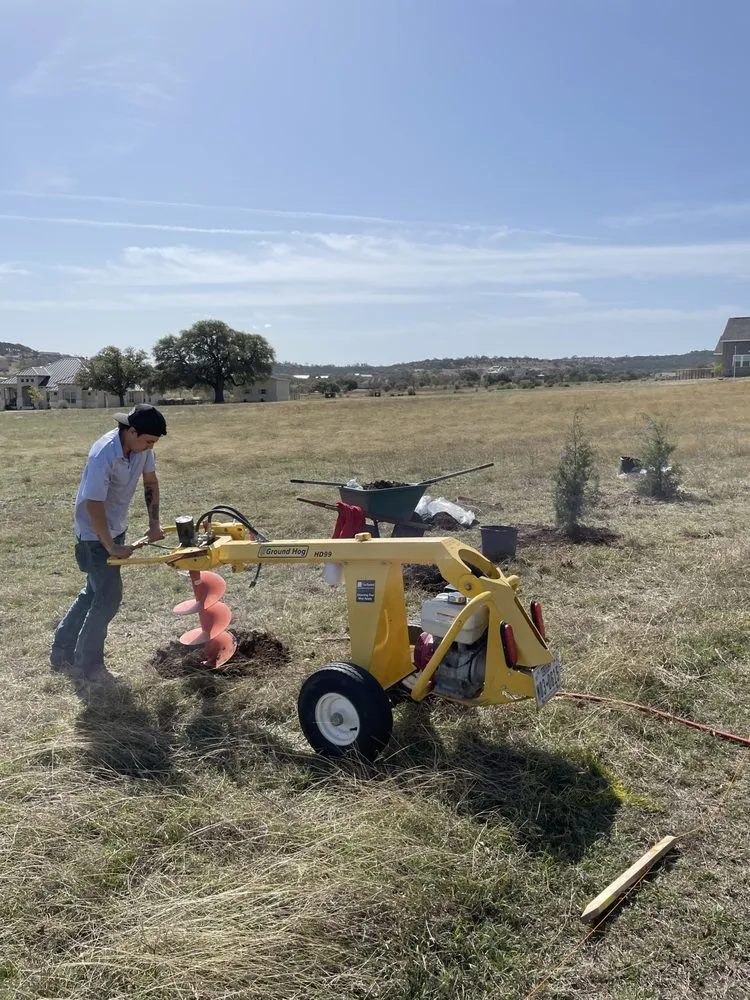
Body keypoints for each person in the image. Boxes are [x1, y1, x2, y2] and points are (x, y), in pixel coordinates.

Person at [50, 403, 168, 684]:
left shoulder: (141, 449)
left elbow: (150, 483)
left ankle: (62, 653)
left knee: (93, 592)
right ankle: (89, 666)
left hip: (115, 528)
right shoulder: (104, 453)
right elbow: (93, 504)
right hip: (93, 533)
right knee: (108, 596)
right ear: (132, 431)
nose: (151, 447)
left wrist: (154, 523)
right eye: (148, 441)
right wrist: (111, 546)